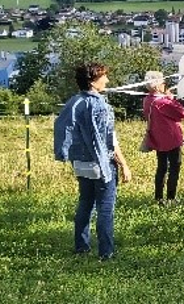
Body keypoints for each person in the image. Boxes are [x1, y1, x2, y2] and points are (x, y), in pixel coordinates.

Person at [61, 62, 132, 261]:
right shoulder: (101, 106)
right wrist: (123, 164)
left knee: (85, 203)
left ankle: (81, 246)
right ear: (93, 81)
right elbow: (109, 141)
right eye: (104, 77)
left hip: (80, 163)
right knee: (105, 208)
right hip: (101, 164)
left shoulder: (74, 102)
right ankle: (106, 252)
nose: (107, 80)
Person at [142, 71, 184, 206]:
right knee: (174, 167)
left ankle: (158, 197)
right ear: (157, 86)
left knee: (161, 167)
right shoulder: (162, 102)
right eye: (163, 82)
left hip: (157, 138)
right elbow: (182, 113)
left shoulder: (147, 100)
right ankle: (171, 197)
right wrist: (171, 99)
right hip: (171, 138)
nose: (165, 85)